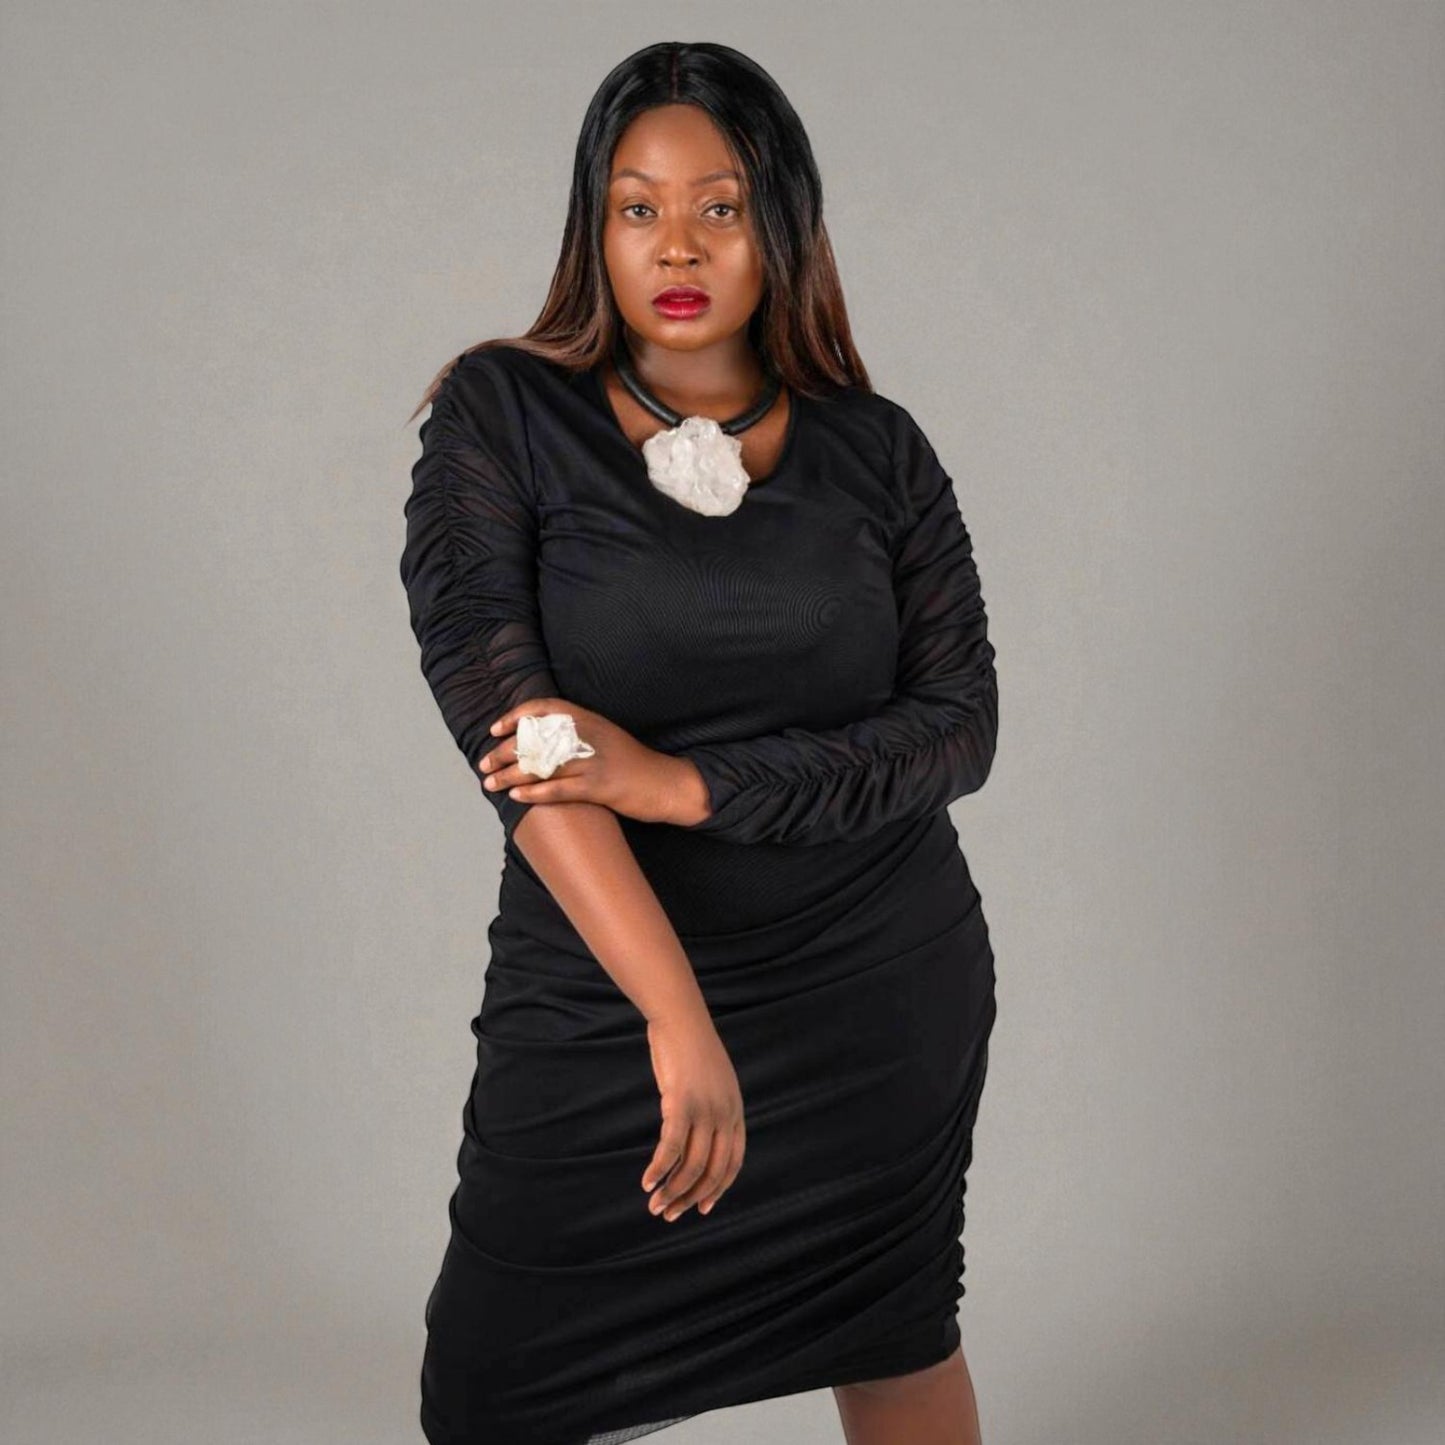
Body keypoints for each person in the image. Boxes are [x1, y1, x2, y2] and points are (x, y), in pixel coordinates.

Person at [399, 40, 999, 1445]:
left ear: (778, 225)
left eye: (718, 206)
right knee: (493, 1395)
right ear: (590, 230)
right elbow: (514, 738)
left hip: (872, 986)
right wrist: (675, 1015)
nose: (677, 243)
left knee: (895, 1329)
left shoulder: (879, 450)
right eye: (635, 206)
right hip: (608, 990)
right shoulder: (501, 416)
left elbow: (956, 732)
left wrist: (683, 782)